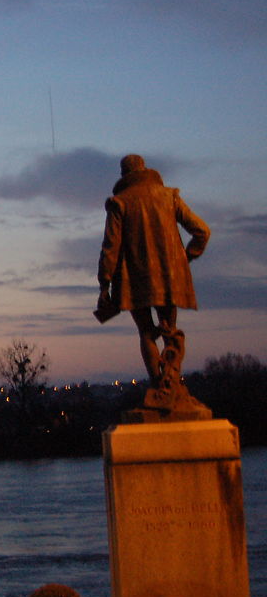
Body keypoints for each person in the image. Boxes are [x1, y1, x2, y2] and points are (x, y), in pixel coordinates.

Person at [97, 154, 210, 409]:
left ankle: (159, 387)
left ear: (124, 174)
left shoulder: (119, 203)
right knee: (170, 331)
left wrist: (104, 285)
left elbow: (110, 249)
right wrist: (184, 259)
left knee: (146, 333)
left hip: (135, 280)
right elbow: (202, 231)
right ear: (144, 169)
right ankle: (172, 387)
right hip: (169, 277)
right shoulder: (168, 196)